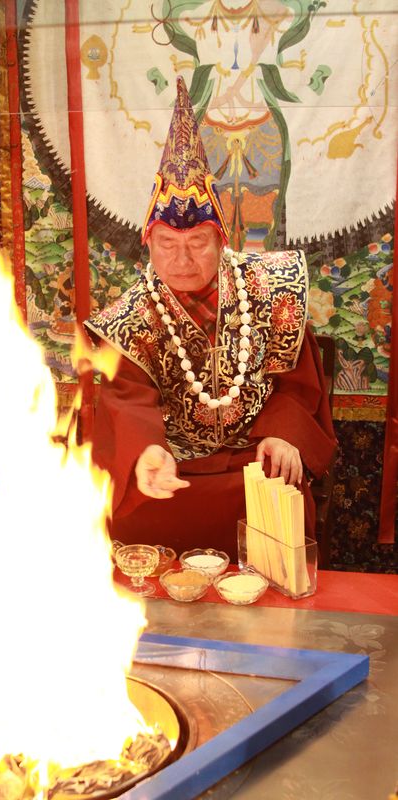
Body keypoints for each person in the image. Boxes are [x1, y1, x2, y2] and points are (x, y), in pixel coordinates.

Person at [85, 77, 336, 560]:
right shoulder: (133, 316)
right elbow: (127, 400)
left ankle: (269, 601)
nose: (181, 260)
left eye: (197, 242)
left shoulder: (271, 287)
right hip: (175, 465)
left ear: (222, 239)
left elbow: (297, 382)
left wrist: (283, 434)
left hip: (253, 457)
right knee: (134, 510)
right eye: (167, 244)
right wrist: (146, 451)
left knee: (279, 489)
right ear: (148, 242)